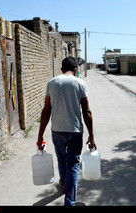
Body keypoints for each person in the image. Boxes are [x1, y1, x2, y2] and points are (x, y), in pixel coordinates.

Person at [37, 56, 96, 206]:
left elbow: (46, 111)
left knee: (61, 159)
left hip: (57, 130)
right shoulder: (81, 84)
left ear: (62, 70)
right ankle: (69, 201)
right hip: (75, 131)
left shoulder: (52, 83)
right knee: (73, 165)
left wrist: (40, 136)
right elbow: (86, 111)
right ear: (76, 70)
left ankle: (64, 183)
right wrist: (91, 135)